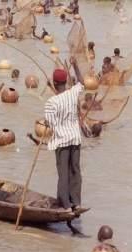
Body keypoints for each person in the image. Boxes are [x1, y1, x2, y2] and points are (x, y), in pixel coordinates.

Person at [44, 57, 84, 212]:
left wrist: (48, 123)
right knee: (75, 170)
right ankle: (77, 202)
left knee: (63, 173)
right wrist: (75, 65)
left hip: (61, 140)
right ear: (66, 82)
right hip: (75, 138)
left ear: (54, 83)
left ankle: (66, 205)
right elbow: (82, 82)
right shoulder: (73, 94)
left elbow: (50, 123)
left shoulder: (51, 103)